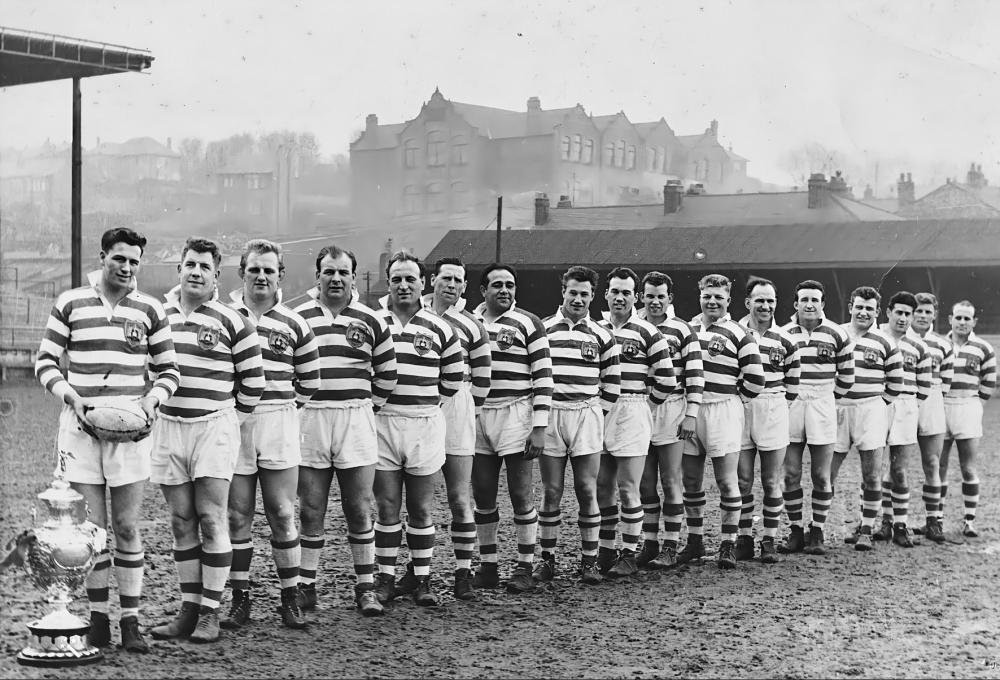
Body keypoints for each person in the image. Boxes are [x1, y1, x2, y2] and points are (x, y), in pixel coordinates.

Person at [35, 227, 179, 653]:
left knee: (128, 525)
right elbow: (44, 361)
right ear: (103, 257)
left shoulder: (150, 308)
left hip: (130, 430)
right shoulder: (71, 302)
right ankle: (99, 620)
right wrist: (71, 397)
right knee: (91, 530)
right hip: (80, 428)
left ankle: (130, 621)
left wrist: (153, 400)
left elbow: (169, 370)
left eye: (135, 261)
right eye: (120, 259)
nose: (128, 268)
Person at [149, 237, 265, 643]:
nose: (196, 272)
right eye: (190, 264)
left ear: (217, 276)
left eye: (205, 267)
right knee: (181, 520)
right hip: (168, 426)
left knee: (212, 517)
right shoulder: (157, 315)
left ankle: (211, 614)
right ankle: (189, 610)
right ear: (178, 269)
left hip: (213, 426)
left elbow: (254, 383)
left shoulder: (233, 320)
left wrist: (229, 419)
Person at [220, 240, 320, 630]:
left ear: (281, 275)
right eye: (254, 269)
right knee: (237, 514)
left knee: (282, 512)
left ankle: (289, 599)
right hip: (234, 422)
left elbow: (309, 382)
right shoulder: (225, 317)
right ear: (241, 273)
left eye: (269, 270)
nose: (261, 276)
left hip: (279, 420)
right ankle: (240, 600)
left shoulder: (295, 323)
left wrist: (279, 406)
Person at [293, 245, 397, 616]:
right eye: (328, 272)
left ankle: (365, 586)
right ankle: (306, 586)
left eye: (342, 272)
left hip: (355, 417)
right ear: (317, 276)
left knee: (358, 507)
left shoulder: (371, 319)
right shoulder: (298, 317)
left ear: (354, 276)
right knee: (311, 509)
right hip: (312, 418)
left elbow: (387, 374)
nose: (335, 278)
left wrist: (369, 406)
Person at [373, 252, 464, 606]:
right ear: (388, 282)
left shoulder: (441, 327)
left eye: (411, 278)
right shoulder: (374, 322)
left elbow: (452, 381)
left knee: (422, 507)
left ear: (423, 283)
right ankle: (385, 579)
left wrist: (423, 404)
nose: (403, 285)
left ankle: (423, 579)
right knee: (387, 506)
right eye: (397, 278)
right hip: (384, 422)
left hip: (425, 421)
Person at [535, 266, 621, 584]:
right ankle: (547, 559)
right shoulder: (544, 330)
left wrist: (597, 413)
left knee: (587, 489)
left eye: (585, 293)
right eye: (573, 292)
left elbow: (612, 384)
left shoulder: (601, 335)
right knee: (552, 490)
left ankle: (589, 561)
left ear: (592, 296)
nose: (578, 298)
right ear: (563, 292)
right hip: (553, 413)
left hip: (586, 413)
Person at [471, 263, 552, 594]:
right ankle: (488, 567)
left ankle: (524, 567)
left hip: (516, 412)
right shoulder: (469, 322)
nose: (504, 290)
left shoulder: (528, 322)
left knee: (520, 492)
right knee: (483, 494)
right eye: (497, 285)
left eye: (510, 285)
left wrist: (539, 426)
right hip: (478, 415)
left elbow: (544, 376)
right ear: (483, 291)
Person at [680, 274, 765, 569]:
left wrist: (733, 398)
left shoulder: (740, 333)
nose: (712, 301)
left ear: (728, 300)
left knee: (727, 480)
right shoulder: (687, 329)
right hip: (691, 409)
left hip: (724, 408)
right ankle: (695, 540)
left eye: (718, 297)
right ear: (700, 297)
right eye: (707, 296)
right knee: (690, 479)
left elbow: (756, 379)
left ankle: (728, 544)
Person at [597, 267, 676, 576]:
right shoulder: (597, 328)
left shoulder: (647, 331)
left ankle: (629, 552)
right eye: (615, 291)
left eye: (626, 292)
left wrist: (645, 406)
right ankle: (605, 550)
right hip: (600, 408)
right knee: (602, 485)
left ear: (635, 296)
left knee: (629, 486)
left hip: (632, 406)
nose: (620, 297)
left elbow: (667, 380)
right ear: (606, 294)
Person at [423, 257, 491, 599]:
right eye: (446, 278)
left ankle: (463, 572)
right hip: (418, 402)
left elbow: (482, 379)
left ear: (465, 287)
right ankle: (416, 572)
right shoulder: (415, 316)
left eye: (458, 281)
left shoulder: (473, 324)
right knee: (417, 498)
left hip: (456, 403)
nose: (452, 285)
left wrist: (463, 408)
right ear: (433, 280)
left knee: (458, 495)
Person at [779, 280, 854, 556]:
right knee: (791, 473)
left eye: (815, 299)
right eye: (804, 299)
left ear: (822, 304)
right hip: (793, 401)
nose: (809, 304)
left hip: (823, 400)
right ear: (796, 304)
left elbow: (847, 376)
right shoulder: (784, 334)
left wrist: (827, 397)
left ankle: (818, 530)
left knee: (821, 475)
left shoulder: (837, 333)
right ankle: (796, 530)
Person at [635, 271, 704, 569]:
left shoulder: (682, 329)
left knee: (670, 477)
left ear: (670, 299)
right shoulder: (632, 326)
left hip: (673, 405)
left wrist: (691, 414)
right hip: (639, 406)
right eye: (649, 295)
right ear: (641, 296)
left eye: (660, 296)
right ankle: (650, 544)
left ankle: (671, 545)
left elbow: (695, 375)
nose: (655, 301)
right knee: (645, 481)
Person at [829, 286, 902, 551]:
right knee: (826, 474)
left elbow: (895, 382)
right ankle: (818, 529)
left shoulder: (885, 341)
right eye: (859, 306)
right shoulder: (836, 333)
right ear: (850, 307)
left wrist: (876, 406)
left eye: (869, 308)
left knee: (872, 475)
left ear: (877, 312)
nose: (863, 312)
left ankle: (866, 529)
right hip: (838, 409)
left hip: (870, 409)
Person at [735, 278, 800, 563]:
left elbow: (793, 386)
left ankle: (770, 539)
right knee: (743, 479)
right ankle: (745, 537)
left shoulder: (786, 340)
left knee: (771, 479)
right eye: (759, 300)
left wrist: (772, 406)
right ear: (747, 302)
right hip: (740, 406)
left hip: (773, 405)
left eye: (770, 300)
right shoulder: (734, 333)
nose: (765, 306)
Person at [872, 291, 932, 548]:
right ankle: (879, 522)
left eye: (908, 314)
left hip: (906, 404)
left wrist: (908, 408)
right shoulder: (876, 339)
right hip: (877, 403)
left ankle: (900, 524)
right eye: (899, 312)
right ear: (888, 312)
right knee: (874, 468)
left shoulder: (918, 346)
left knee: (899, 469)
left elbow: (924, 388)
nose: (904, 318)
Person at [939, 300, 996, 537]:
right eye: (958, 317)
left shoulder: (983, 348)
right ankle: (936, 519)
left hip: (968, 405)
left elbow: (989, 382)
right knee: (937, 466)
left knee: (968, 467)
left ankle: (969, 520)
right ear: (950, 319)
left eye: (967, 318)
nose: (962, 322)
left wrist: (975, 405)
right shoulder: (939, 344)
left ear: (974, 321)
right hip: (942, 406)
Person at [909, 292, 953, 543]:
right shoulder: (900, 339)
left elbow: (945, 384)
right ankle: (888, 521)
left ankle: (933, 521)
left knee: (932, 463)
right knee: (895, 466)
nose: (923, 316)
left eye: (928, 312)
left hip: (933, 400)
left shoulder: (943, 345)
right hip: (906, 399)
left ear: (935, 314)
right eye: (919, 311)